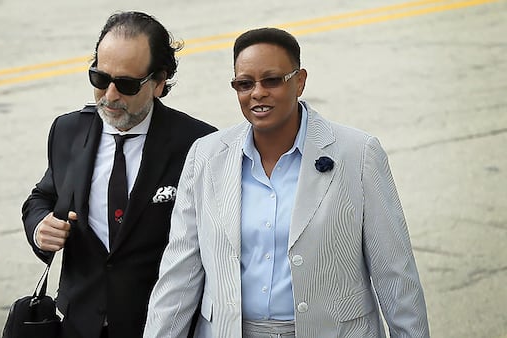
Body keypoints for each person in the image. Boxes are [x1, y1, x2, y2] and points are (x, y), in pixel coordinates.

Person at [144, 27, 430, 337]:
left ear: (300, 81)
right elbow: (179, 274)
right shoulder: (206, 156)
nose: (258, 93)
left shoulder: (358, 154)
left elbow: (395, 274)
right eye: (244, 83)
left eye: (272, 80)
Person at [22, 11, 217, 338]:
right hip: (79, 322)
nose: (110, 96)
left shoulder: (199, 145)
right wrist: (40, 228)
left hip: (160, 325)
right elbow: (42, 196)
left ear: (158, 82)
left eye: (126, 84)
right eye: (100, 78)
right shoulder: (68, 131)